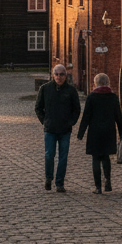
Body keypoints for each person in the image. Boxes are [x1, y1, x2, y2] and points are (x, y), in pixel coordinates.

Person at [34, 63, 81, 192]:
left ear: (66, 76)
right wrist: (45, 121)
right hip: (50, 129)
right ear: (52, 75)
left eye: (61, 74)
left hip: (65, 130)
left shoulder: (71, 91)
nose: (59, 77)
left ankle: (60, 183)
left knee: (63, 157)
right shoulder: (45, 89)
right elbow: (38, 108)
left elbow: (77, 109)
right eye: (56, 74)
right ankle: (48, 178)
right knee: (49, 155)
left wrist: (71, 122)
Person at [77, 73, 122, 194]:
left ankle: (98, 187)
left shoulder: (91, 97)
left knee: (95, 158)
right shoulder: (113, 97)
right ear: (107, 83)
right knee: (106, 157)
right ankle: (108, 181)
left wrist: (81, 133)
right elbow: (118, 117)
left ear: (95, 84)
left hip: (95, 131)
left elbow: (86, 117)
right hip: (109, 131)